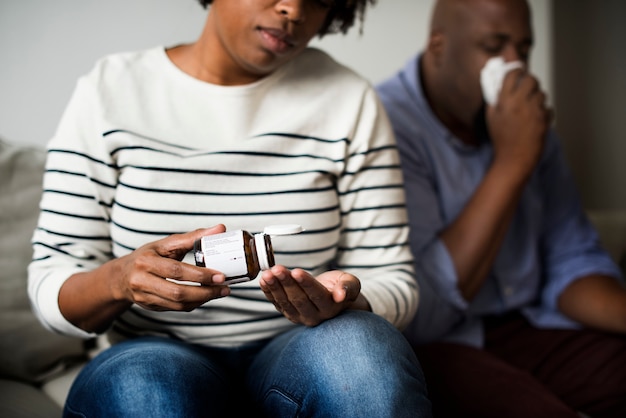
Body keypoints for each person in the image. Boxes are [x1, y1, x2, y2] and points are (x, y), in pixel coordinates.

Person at [27, 1, 433, 417]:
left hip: (300, 346)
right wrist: (119, 280)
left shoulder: (349, 101)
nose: (293, 8)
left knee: (358, 349)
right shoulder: (110, 90)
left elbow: (394, 279)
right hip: (153, 351)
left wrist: (346, 299)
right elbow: (51, 288)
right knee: (139, 390)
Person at [376, 0, 626, 417]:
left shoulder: (526, 122)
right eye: (494, 48)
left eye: (523, 49)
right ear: (438, 46)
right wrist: (513, 162)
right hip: (441, 345)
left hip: (531, 324)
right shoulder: (385, 125)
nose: (515, 67)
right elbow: (426, 311)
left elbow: (571, 261)